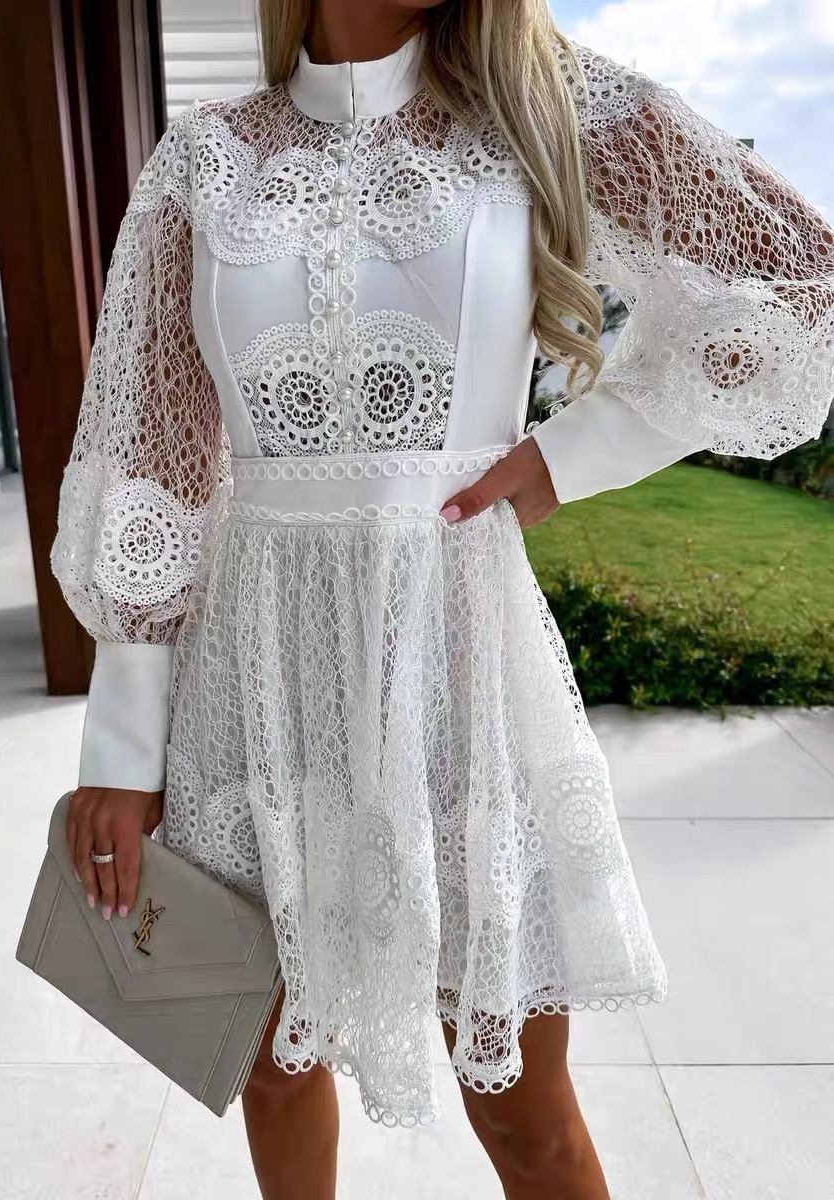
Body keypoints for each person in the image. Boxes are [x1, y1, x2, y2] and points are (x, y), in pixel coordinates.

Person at [52, 1, 834, 1196]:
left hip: (461, 665)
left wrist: (575, 455)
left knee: (521, 1109)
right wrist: (120, 741)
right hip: (252, 682)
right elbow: (149, 448)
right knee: (269, 1064)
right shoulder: (203, 160)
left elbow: (800, 278)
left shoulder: (541, 111)